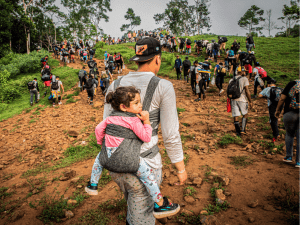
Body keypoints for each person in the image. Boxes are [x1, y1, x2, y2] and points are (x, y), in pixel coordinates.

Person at [90, 37, 187, 224]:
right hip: (145, 165)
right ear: (157, 58)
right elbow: (170, 133)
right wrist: (180, 168)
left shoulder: (115, 85)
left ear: (137, 59)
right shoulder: (163, 86)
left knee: (134, 206)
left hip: (115, 163)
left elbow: (107, 123)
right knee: (142, 217)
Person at [86, 86, 180, 219]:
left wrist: (100, 142)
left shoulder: (109, 118)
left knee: (98, 161)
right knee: (148, 177)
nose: (140, 105)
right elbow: (146, 137)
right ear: (124, 107)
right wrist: (146, 121)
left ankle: (93, 184)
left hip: (107, 158)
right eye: (136, 103)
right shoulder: (134, 121)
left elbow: (98, 129)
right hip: (129, 159)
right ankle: (159, 204)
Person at [275, 78, 300, 167]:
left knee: (289, 134)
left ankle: (289, 157)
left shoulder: (292, 83)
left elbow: (282, 98)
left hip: (289, 113)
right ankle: (298, 162)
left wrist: (278, 110)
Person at [228, 69, 253, 136]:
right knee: (245, 113)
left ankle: (238, 132)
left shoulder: (231, 80)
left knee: (236, 115)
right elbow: (247, 90)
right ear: (241, 72)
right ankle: (243, 129)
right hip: (242, 99)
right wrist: (250, 101)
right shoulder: (244, 79)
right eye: (244, 71)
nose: (245, 72)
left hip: (233, 99)